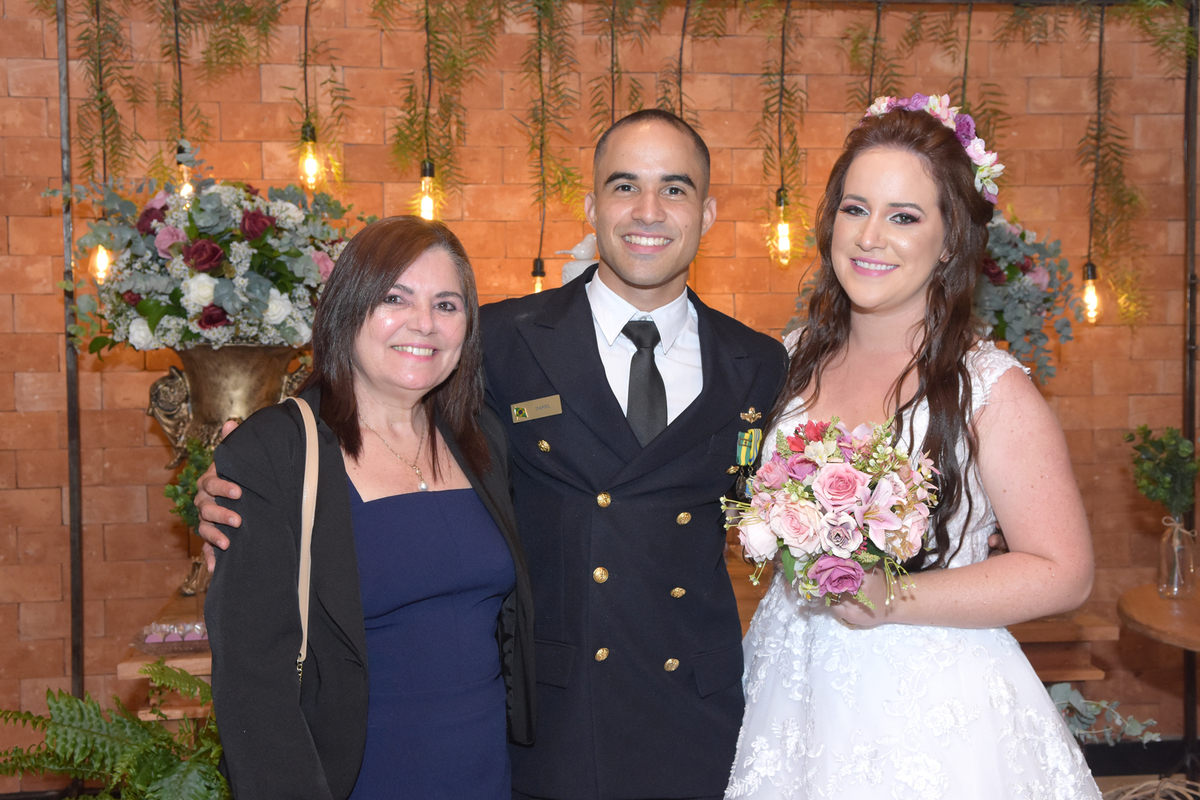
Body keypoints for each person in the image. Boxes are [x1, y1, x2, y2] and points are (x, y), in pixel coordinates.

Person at [196, 109, 789, 799]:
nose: (648, 210)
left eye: (675, 188)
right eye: (625, 186)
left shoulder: (758, 363)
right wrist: (253, 470)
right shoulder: (503, 340)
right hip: (551, 728)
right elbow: (363, 394)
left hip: (694, 714)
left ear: (707, 212)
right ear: (591, 206)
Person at [723, 96, 1101, 799]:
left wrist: (890, 596)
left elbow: (1064, 573)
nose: (871, 237)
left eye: (904, 217)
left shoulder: (989, 389)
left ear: (950, 240)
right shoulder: (784, 362)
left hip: (934, 712)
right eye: (855, 209)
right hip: (788, 682)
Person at [203, 216, 535, 800]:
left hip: (488, 776)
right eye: (394, 298)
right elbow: (252, 682)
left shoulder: (481, 438)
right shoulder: (277, 451)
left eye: (447, 304)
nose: (424, 323)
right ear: (347, 309)